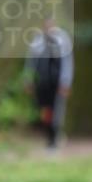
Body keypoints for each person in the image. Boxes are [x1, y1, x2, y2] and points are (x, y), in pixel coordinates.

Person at [24, 19, 74, 149]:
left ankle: (54, 137)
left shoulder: (62, 40)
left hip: (56, 84)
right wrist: (28, 80)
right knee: (45, 111)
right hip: (42, 83)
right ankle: (50, 135)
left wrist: (65, 82)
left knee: (56, 111)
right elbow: (30, 62)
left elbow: (67, 62)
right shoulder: (37, 40)